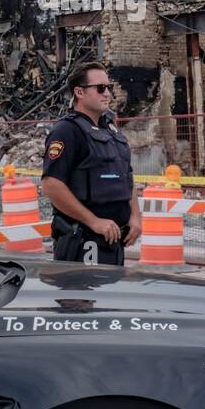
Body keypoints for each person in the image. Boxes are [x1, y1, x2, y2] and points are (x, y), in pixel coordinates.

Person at [41, 61, 141, 265]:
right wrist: (93, 221)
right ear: (79, 92)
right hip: (82, 243)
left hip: (113, 243)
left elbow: (126, 177)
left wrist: (135, 218)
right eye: (100, 88)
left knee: (110, 297)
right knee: (81, 297)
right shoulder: (67, 131)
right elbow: (52, 184)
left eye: (109, 88)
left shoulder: (111, 131)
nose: (108, 94)